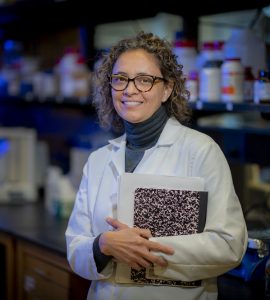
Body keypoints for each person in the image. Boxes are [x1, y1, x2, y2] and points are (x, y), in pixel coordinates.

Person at [65, 31, 248, 300]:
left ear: (167, 89)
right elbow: (75, 247)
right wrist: (102, 245)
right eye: (120, 79)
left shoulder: (200, 151)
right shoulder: (99, 160)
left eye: (144, 80)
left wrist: (142, 249)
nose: (129, 89)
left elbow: (229, 245)